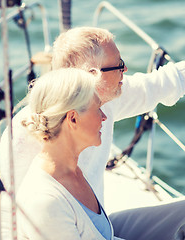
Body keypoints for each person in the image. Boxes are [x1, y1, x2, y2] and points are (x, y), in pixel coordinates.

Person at [0, 26, 185, 240]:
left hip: (100, 228)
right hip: (60, 229)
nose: (125, 71)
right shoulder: (24, 138)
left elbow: (175, 80)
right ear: (90, 76)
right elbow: (7, 214)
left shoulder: (109, 97)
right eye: (118, 65)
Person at [15, 67, 122, 239]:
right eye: (98, 108)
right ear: (73, 119)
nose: (104, 117)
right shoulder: (45, 203)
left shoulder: (71, 170)